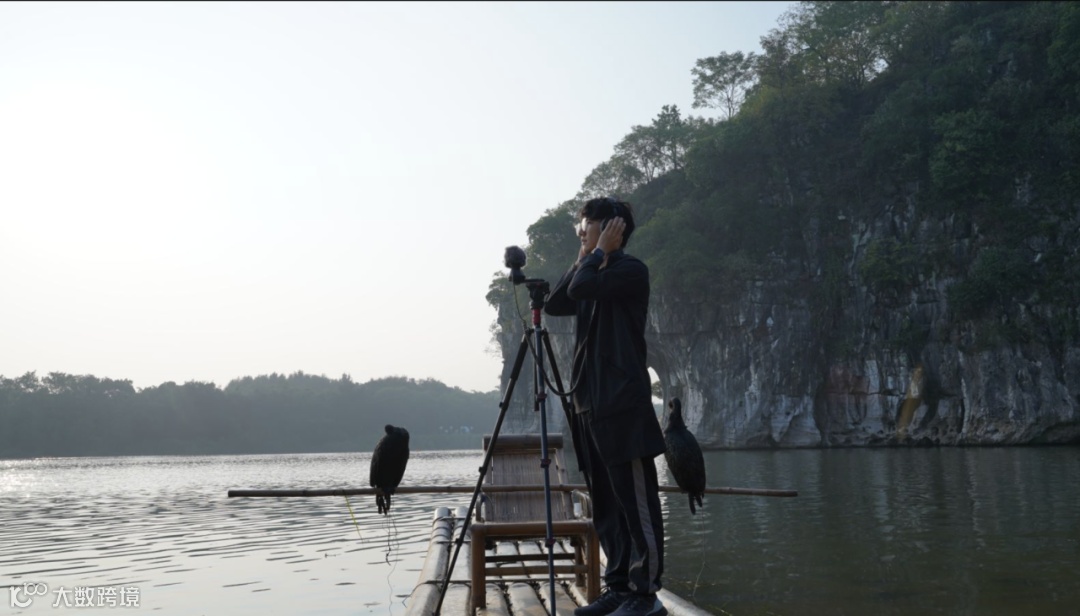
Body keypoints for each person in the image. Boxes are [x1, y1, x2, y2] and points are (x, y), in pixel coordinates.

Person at [545, 197, 667, 616]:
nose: (581, 232)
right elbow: (557, 303)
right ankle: (618, 585)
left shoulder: (629, 271)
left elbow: (580, 289)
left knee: (636, 504)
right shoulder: (591, 271)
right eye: (580, 227)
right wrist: (587, 254)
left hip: (622, 405)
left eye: (588, 225)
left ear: (613, 228)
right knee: (607, 506)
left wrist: (597, 254)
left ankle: (645, 593)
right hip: (589, 405)